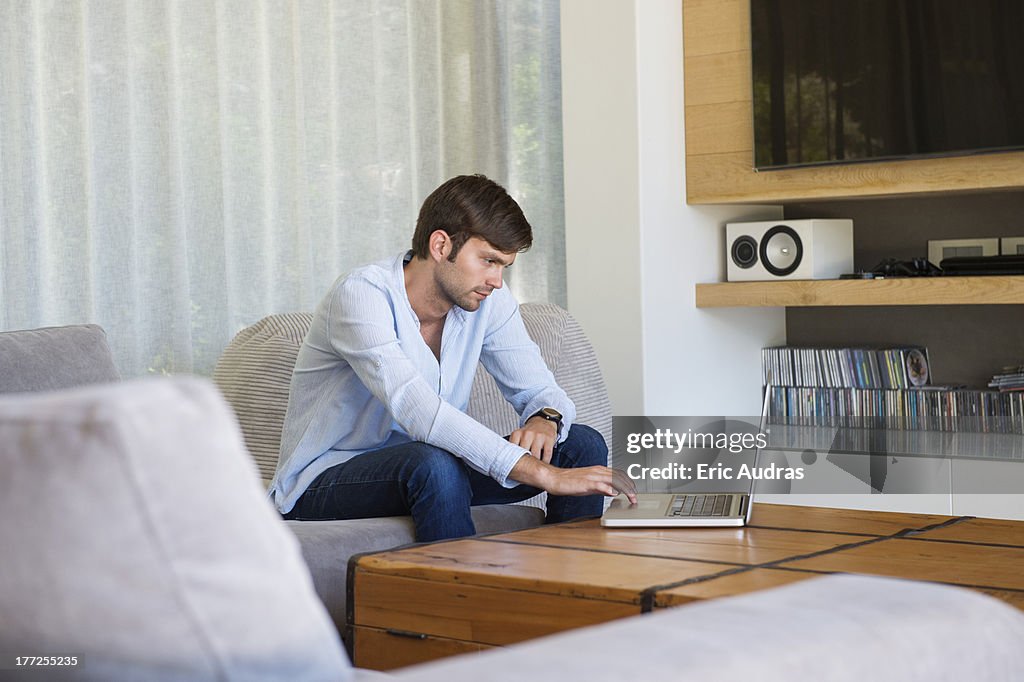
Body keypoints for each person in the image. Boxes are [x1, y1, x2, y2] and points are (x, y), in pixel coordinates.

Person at [269, 174, 636, 541]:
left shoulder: (489, 300)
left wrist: (546, 418)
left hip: (433, 473)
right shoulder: (362, 295)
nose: (496, 280)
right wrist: (545, 475)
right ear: (442, 245)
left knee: (581, 445)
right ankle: (463, 595)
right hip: (326, 480)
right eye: (488, 260)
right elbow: (421, 413)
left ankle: (569, 588)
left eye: (503, 266)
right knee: (433, 462)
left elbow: (539, 388)